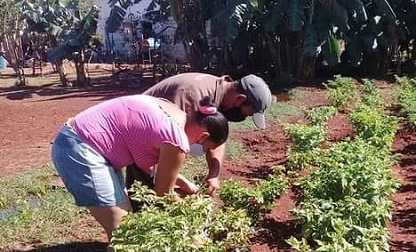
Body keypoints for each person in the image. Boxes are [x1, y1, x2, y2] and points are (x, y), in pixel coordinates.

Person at [51, 94, 229, 241]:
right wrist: (194, 213)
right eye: (207, 148)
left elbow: (153, 165)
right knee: (124, 232)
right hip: (81, 151)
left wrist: (183, 183)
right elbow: (163, 195)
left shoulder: (172, 111)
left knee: (126, 220)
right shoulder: (176, 140)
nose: (201, 151)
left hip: (77, 140)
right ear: (204, 136)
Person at [137, 72, 273, 194]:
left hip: (156, 136)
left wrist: (213, 175)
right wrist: (179, 183)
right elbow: (167, 146)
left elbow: (218, 139)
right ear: (240, 99)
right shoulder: (192, 97)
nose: (243, 117)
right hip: (137, 135)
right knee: (147, 193)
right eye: (246, 113)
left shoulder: (221, 95)